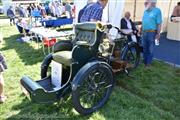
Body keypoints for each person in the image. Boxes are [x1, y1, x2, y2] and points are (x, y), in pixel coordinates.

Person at [141, 0, 162, 68]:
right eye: (145, 2)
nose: (145, 3)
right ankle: (144, 61)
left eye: (147, 2)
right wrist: (141, 29)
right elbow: (143, 21)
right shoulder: (145, 11)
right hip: (144, 32)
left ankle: (148, 63)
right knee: (144, 47)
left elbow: (159, 23)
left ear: (152, 3)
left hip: (152, 33)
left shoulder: (157, 11)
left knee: (150, 48)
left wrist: (158, 34)